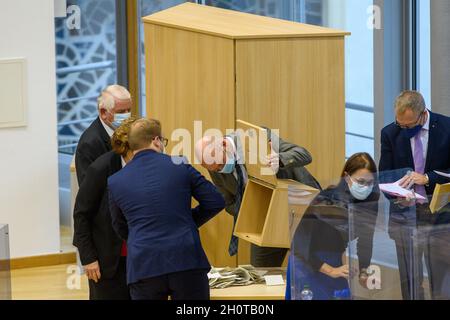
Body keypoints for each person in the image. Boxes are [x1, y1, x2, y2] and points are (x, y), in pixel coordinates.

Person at [108, 118, 225, 300]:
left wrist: (141, 234)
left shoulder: (115, 181)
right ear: (156, 140)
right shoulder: (180, 165)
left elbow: (119, 226)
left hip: (144, 264)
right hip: (186, 259)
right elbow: (216, 201)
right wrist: (186, 222)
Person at [195, 130, 321, 267]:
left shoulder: (256, 138)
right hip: (265, 221)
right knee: (260, 273)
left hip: (301, 210)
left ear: (224, 144)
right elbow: (228, 201)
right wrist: (251, 211)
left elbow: (304, 154)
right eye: (215, 169)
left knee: (311, 271)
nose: (220, 170)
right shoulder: (214, 163)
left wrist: (279, 159)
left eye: (221, 165)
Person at [379, 90, 450, 300]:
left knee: (440, 279)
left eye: (409, 125)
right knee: (410, 280)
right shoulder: (390, 133)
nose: (404, 129)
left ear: (422, 114)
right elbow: (385, 176)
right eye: (400, 124)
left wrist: (427, 178)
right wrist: (398, 197)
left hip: (439, 217)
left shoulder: (447, 128)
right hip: (404, 218)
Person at [285, 153, 379, 300]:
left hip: (335, 263)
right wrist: (330, 270)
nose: (366, 188)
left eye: (370, 183)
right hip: (307, 262)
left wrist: (363, 271)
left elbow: (366, 240)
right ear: (347, 177)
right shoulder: (327, 199)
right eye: (361, 182)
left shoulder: (370, 204)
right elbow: (299, 243)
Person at [73, 117, 137, 300]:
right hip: (107, 261)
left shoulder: (148, 167)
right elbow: (81, 214)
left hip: (140, 258)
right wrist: (88, 258)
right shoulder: (100, 168)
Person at [75, 84, 132, 184]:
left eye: (129, 110)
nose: (127, 116)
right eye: (121, 112)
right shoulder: (89, 144)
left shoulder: (130, 131)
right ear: (103, 113)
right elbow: (89, 191)